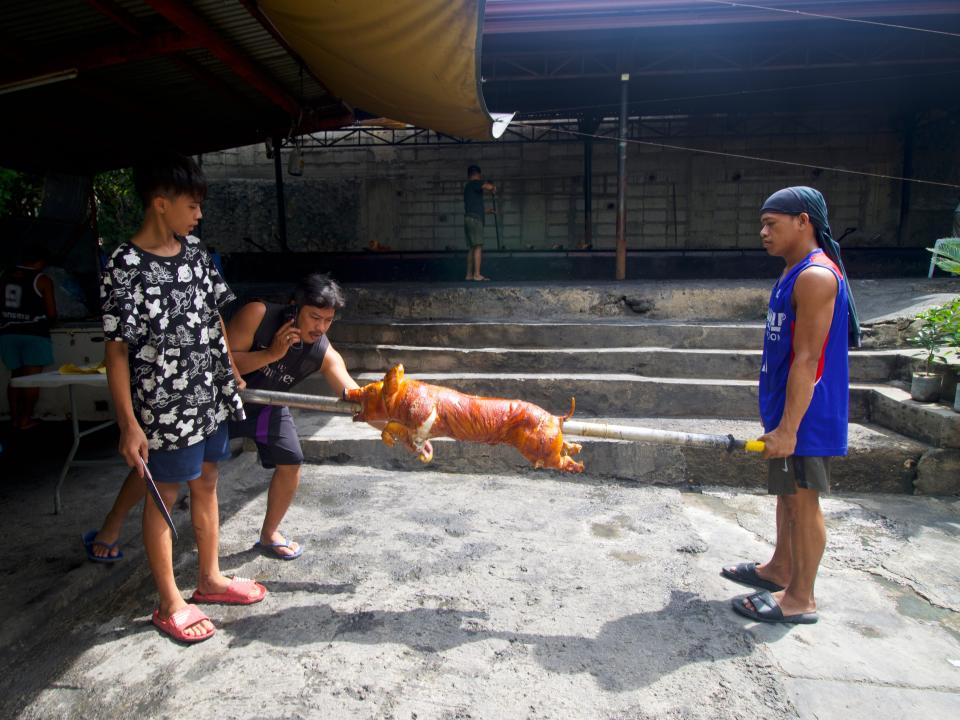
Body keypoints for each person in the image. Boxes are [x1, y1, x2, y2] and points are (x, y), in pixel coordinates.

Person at [99, 151, 265, 643]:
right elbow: (117, 353)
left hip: (208, 394)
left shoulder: (194, 252)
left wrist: (229, 368)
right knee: (164, 495)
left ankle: (210, 579)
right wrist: (129, 424)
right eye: (192, 205)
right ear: (160, 204)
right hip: (164, 405)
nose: (198, 215)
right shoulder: (123, 265)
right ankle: (170, 601)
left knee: (209, 481)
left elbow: (214, 314)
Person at [87, 273, 367, 563]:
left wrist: (406, 428)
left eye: (328, 320)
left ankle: (269, 533)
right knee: (162, 462)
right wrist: (271, 354)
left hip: (266, 406)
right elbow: (222, 360)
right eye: (314, 317)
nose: (320, 327)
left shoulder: (323, 352)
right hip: (218, 402)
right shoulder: (258, 314)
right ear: (294, 308)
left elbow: (356, 398)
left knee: (291, 461)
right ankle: (113, 522)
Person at [722, 186, 854, 625]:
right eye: (762, 224)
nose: (763, 232)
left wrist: (791, 428)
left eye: (771, 224)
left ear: (803, 221)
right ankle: (779, 568)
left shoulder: (815, 276)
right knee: (786, 495)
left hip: (807, 417)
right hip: (786, 411)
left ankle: (800, 599)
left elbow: (808, 359)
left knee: (803, 500)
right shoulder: (792, 273)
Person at [1, 244, 57, 430]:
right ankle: (25, 419)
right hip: (34, 334)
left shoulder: (5, 276)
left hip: (8, 333)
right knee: (31, 379)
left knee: (15, 377)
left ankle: (14, 418)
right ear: (41, 262)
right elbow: (51, 312)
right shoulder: (42, 279)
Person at [463, 165, 496, 281]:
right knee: (478, 246)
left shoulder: (468, 188)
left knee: (472, 247)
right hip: (475, 220)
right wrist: (492, 188)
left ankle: (469, 275)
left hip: (468, 218)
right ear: (477, 174)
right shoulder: (475, 183)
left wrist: (487, 211)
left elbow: (474, 206)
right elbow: (488, 186)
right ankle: (477, 274)